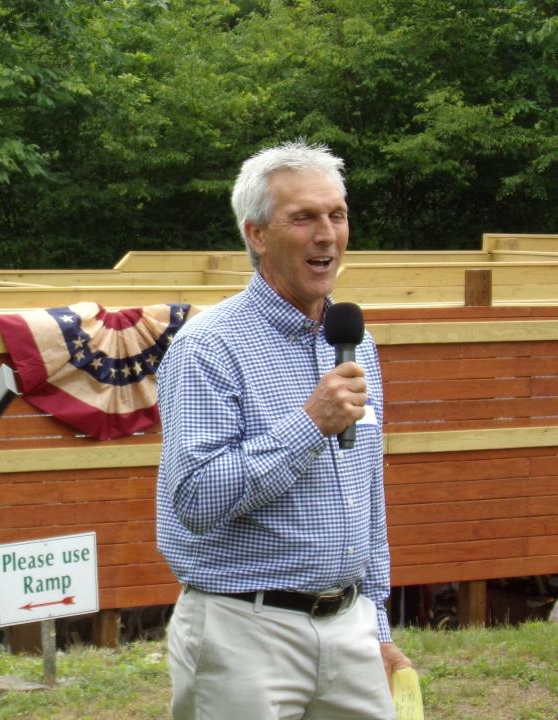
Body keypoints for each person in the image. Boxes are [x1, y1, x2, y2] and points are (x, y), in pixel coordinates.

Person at [156, 140, 412, 719]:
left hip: (348, 627)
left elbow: (365, 493)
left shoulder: (355, 342)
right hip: (242, 631)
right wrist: (308, 425)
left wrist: (375, 622)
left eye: (337, 215)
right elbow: (195, 498)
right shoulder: (207, 348)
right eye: (304, 218)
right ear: (257, 234)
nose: (327, 234)